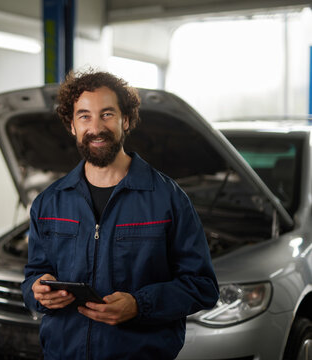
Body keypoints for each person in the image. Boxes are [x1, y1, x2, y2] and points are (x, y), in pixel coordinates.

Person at [20, 70, 219, 360]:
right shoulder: (49, 202)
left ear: (126, 120)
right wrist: (36, 291)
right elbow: (33, 276)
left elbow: (202, 287)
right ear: (72, 126)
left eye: (107, 114)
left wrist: (140, 305)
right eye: (84, 116)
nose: (96, 127)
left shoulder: (168, 199)